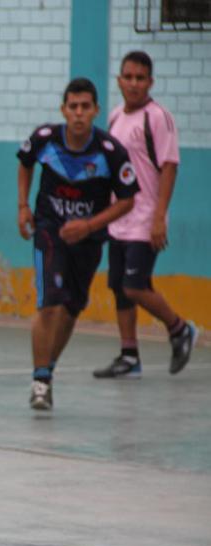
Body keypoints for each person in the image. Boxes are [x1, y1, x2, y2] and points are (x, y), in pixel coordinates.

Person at [16, 78, 138, 411]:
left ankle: (48, 370)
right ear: (63, 110)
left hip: (88, 241)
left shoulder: (111, 152)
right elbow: (25, 163)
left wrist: (89, 226)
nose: (79, 113)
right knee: (50, 304)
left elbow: (127, 200)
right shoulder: (44, 139)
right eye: (73, 107)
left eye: (86, 107)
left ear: (96, 110)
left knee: (71, 309)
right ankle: (40, 381)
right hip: (49, 232)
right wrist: (23, 206)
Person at [93, 50, 199, 379]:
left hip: (146, 219)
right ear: (120, 80)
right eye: (129, 77)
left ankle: (180, 329)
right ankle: (129, 355)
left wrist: (159, 217)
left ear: (150, 82)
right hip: (119, 217)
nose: (134, 83)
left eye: (141, 78)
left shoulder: (157, 117)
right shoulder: (114, 118)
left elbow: (169, 167)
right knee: (118, 286)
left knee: (135, 286)